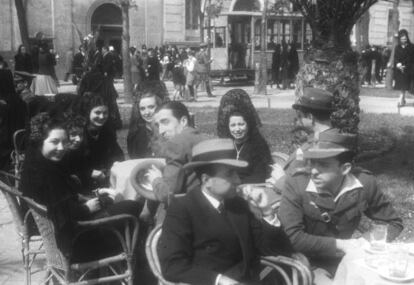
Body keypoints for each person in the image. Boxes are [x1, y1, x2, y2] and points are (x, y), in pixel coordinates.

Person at [158, 138, 307, 285]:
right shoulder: (183, 208)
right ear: (206, 180)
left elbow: (267, 248)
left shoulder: (238, 205)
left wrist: (266, 210)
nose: (238, 180)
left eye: (236, 173)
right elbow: (172, 265)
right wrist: (218, 280)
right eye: (229, 174)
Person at [278, 128, 403, 282]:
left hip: (348, 260)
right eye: (312, 163)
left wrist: (363, 242)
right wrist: (341, 244)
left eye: (323, 165)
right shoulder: (297, 183)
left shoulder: (363, 183)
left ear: (345, 168)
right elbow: (292, 237)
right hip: (307, 263)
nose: (314, 171)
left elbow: (393, 222)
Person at [19, 112, 142, 261]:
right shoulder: (46, 175)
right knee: (135, 209)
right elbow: (61, 213)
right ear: (40, 141)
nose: (61, 147)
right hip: (76, 244)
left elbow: (57, 203)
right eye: (55, 142)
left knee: (120, 203)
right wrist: (87, 208)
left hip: (59, 234)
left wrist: (80, 198)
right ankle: (139, 266)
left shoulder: (34, 164)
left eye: (64, 142)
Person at [146, 101, 206, 204]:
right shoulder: (203, 138)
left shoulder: (176, 143)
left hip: (187, 208)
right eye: (158, 125)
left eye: (165, 122)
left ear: (183, 121)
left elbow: (166, 193)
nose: (161, 131)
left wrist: (155, 179)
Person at [73, 93, 124, 190]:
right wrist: (89, 173)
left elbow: (117, 153)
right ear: (88, 113)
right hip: (82, 183)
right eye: (97, 112)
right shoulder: (78, 134)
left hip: (105, 179)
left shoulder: (107, 131)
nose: (102, 117)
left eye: (105, 113)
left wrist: (117, 162)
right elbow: (71, 164)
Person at [218, 107, 273, 184]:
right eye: (233, 125)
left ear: (248, 125)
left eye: (241, 124)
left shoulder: (258, 146)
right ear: (228, 127)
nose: (237, 129)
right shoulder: (225, 146)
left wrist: (236, 184)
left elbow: (260, 176)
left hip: (250, 187)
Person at [127, 90, 165, 159]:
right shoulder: (135, 135)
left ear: (159, 106)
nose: (147, 112)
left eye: (151, 107)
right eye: (142, 109)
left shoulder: (168, 130)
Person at [394, 29, 414, 107]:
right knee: (402, 86)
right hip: (400, 70)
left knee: (410, 86)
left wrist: (408, 65)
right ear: (399, 39)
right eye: (402, 39)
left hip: (410, 69)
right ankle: (401, 99)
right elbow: (395, 58)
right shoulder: (397, 47)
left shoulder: (412, 47)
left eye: (405, 38)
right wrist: (398, 64)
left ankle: (402, 99)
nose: (403, 40)